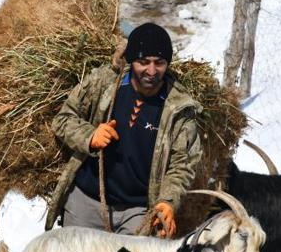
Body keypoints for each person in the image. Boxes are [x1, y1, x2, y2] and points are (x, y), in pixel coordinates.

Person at [46, 22, 202, 238]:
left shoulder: (180, 109)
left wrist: (168, 202)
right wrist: (90, 136)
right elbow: (63, 120)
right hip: (86, 202)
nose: (151, 71)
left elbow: (182, 165)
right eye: (143, 62)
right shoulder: (104, 83)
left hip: (137, 212)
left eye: (160, 63)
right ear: (131, 60)